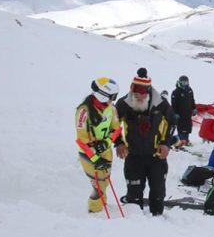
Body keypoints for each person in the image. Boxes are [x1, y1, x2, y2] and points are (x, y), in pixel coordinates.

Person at [114, 68, 175, 216]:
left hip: (156, 155)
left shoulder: (161, 104)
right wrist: (119, 142)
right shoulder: (124, 104)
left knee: (158, 189)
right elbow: (113, 125)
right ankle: (135, 221)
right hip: (133, 155)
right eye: (136, 93)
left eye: (143, 93)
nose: (140, 97)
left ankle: (158, 217)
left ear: (148, 91)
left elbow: (172, 124)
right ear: (131, 90)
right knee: (134, 191)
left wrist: (166, 144)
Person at [76, 77, 121, 213]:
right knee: (99, 185)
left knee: (105, 181)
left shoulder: (111, 109)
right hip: (88, 153)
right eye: (111, 97)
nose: (112, 100)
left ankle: (102, 205)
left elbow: (117, 129)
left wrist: (106, 143)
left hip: (105, 151)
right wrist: (95, 158)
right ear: (101, 95)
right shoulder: (84, 112)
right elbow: (81, 140)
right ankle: (94, 210)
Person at [170, 75, 196, 147]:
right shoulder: (176, 92)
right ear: (180, 82)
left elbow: (192, 101)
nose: (185, 84)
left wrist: (194, 108)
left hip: (188, 114)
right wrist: (175, 113)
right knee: (181, 129)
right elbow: (173, 104)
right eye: (183, 82)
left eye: (186, 82)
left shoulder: (190, 90)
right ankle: (180, 142)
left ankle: (186, 141)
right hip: (180, 115)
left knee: (187, 128)